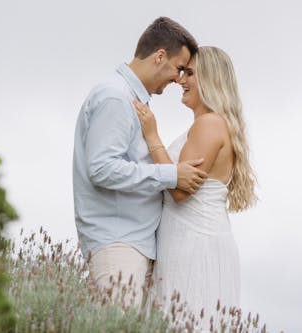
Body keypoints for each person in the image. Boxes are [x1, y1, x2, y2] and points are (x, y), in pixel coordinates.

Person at [72, 17, 207, 307]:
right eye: (178, 68)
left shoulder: (131, 99)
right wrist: (171, 175)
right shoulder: (115, 97)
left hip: (134, 244)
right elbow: (102, 169)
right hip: (119, 246)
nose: (178, 78)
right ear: (160, 56)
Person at [133, 46, 257, 318]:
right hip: (190, 240)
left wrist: (152, 136)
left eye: (190, 74)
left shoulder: (210, 124)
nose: (181, 80)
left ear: (210, 80)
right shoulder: (209, 124)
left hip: (194, 245)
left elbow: (179, 190)